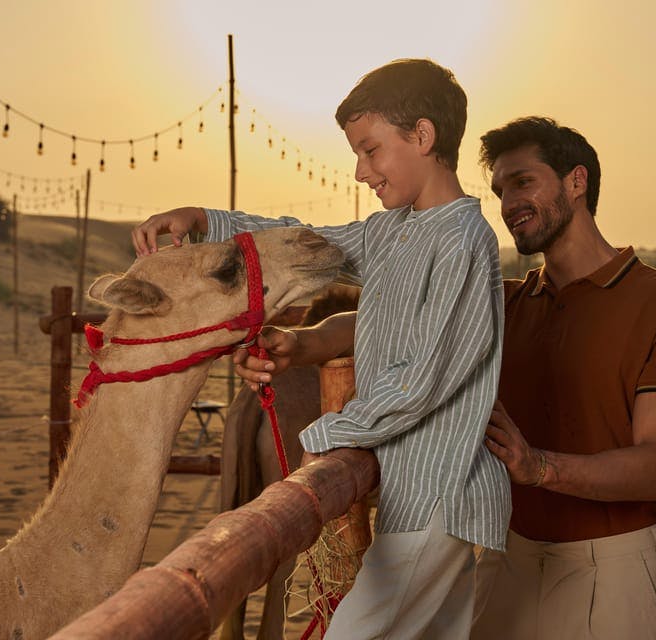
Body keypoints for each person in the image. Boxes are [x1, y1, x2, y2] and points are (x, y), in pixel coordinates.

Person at [133, 58, 511, 638]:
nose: (361, 172)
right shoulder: (392, 231)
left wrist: (328, 435)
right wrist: (207, 221)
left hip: (435, 500)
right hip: (409, 501)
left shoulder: (462, 242)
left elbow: (424, 378)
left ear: (423, 136)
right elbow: (301, 243)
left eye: (371, 150)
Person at [471, 116, 656, 640]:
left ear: (576, 182)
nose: (508, 203)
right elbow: (384, 320)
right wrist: (300, 342)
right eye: (500, 190)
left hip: (616, 571)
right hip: (505, 561)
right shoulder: (502, 302)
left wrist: (537, 467)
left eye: (523, 181)